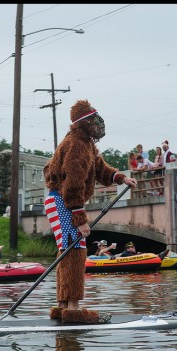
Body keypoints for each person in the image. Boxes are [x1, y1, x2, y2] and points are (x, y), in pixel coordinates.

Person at [43, 99, 137, 324]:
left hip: (61, 201)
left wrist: (121, 178)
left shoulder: (86, 145)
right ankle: (73, 310)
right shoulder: (76, 145)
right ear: (82, 124)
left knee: (68, 251)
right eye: (93, 121)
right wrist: (80, 219)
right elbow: (73, 185)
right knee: (75, 253)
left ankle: (63, 306)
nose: (98, 125)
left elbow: (100, 167)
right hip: (64, 201)